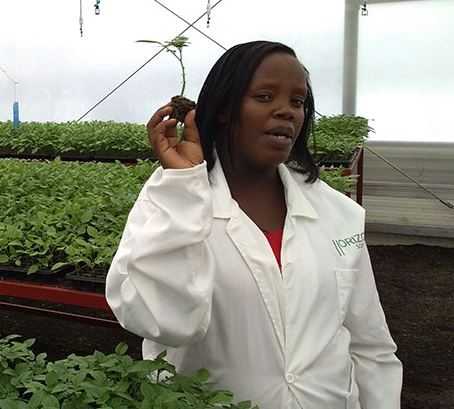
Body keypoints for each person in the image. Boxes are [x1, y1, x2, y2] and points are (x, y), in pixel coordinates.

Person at [106, 41, 402, 408]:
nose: (286, 111)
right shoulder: (169, 200)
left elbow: (370, 346)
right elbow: (160, 321)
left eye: (297, 101)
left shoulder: (337, 213)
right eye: (264, 96)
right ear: (224, 108)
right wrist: (184, 190)